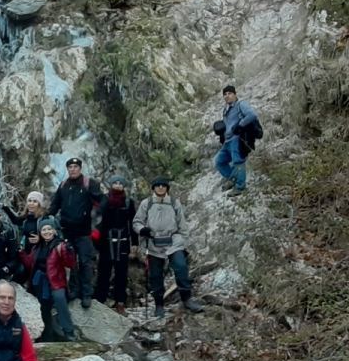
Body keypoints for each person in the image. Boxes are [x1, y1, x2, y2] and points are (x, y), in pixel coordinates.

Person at [133, 177, 204, 319]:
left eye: (163, 185)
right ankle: (159, 304)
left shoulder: (174, 203)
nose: (160, 187)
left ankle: (187, 299)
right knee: (155, 275)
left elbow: (182, 225)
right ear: (153, 188)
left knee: (181, 267)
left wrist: (183, 242)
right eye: (157, 185)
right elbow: (137, 222)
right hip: (153, 243)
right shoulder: (146, 203)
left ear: (167, 188)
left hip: (173, 241)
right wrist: (142, 230)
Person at [47, 157, 103, 308]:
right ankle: (74, 291)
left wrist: (98, 220)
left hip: (84, 232)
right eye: (70, 167)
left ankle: (86, 294)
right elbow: (55, 205)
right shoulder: (64, 185)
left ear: (80, 168)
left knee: (85, 262)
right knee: (70, 263)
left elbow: (102, 201)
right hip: (67, 232)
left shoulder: (89, 183)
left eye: (75, 166)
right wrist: (46, 218)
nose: (73, 169)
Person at [19, 217, 78, 342]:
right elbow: (30, 263)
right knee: (44, 309)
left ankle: (69, 332)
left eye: (49, 229)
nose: (47, 232)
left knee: (60, 301)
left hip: (56, 281)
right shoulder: (37, 247)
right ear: (40, 232)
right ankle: (47, 336)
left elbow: (70, 263)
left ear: (54, 231)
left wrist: (69, 251)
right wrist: (21, 253)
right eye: (44, 230)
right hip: (40, 282)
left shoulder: (60, 246)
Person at [93, 176, 136, 314]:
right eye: (115, 183)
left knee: (121, 273)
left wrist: (134, 243)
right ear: (111, 185)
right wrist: (96, 241)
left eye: (120, 183)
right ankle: (99, 300)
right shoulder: (104, 200)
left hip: (123, 241)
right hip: (105, 241)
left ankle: (120, 302)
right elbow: (97, 219)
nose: (117, 185)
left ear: (124, 186)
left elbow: (132, 223)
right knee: (103, 272)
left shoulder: (128, 202)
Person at [215, 84, 260, 198]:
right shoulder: (225, 109)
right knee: (219, 161)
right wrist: (222, 133)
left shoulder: (241, 104)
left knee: (238, 162)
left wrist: (240, 125)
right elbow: (228, 124)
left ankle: (240, 187)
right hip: (227, 141)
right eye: (225, 94)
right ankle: (233, 178)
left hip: (237, 139)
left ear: (235, 94)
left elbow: (252, 115)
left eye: (230, 93)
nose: (227, 96)